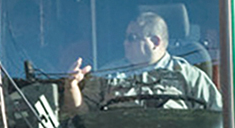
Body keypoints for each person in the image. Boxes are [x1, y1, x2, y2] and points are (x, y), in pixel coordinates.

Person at [64, 11, 222, 114]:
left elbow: (218, 118)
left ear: (155, 41)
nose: (125, 43)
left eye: (132, 38)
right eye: (126, 38)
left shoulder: (189, 76)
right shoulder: (107, 75)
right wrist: (71, 87)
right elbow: (82, 117)